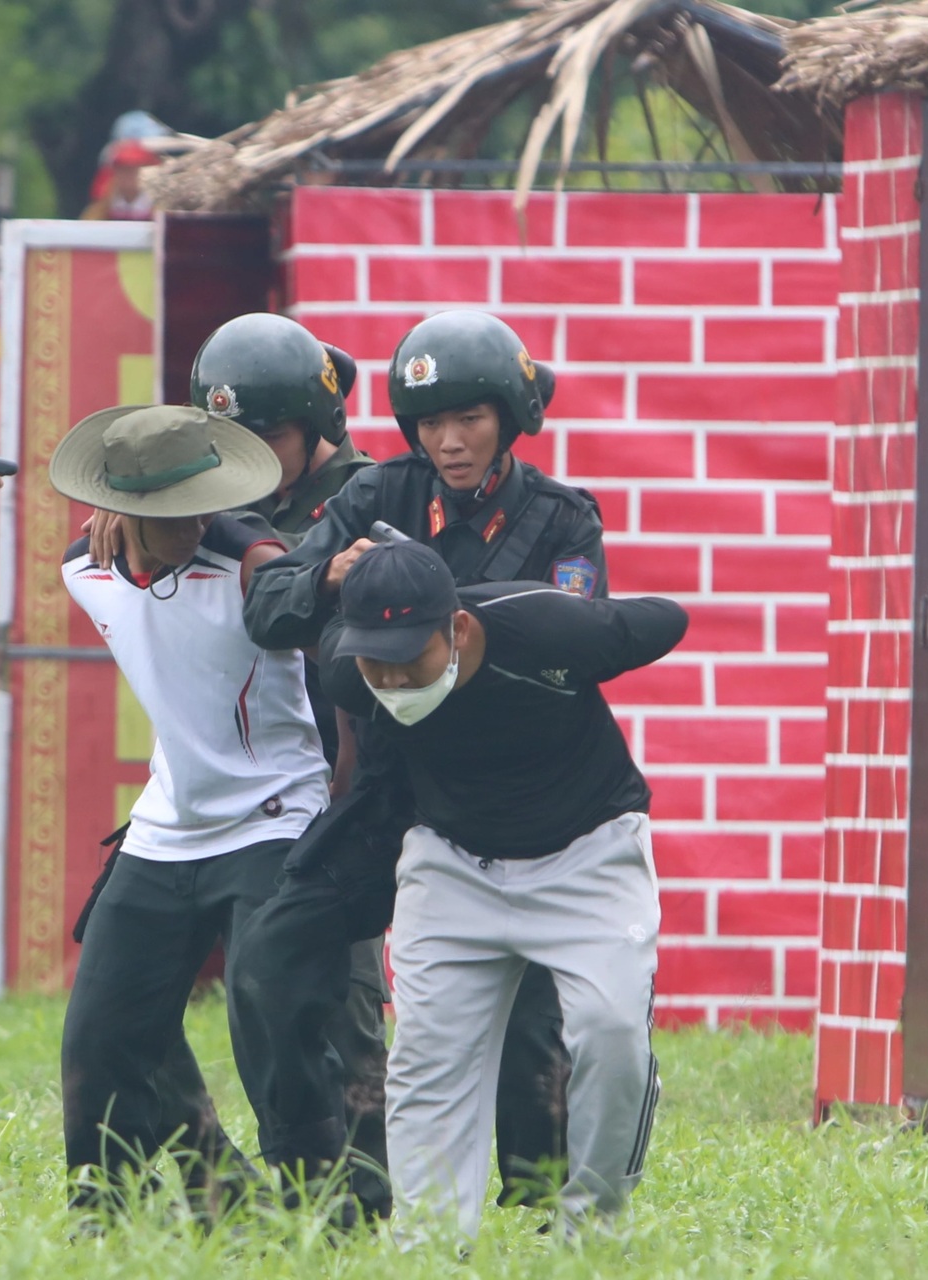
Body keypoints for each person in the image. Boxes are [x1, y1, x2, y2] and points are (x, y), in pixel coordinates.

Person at [236, 310, 608, 1209]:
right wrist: (333, 575)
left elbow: (580, 644)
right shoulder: (377, 497)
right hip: (392, 789)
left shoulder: (563, 518)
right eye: (430, 422)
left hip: (512, 798)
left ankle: (531, 1213)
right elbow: (272, 611)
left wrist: (426, 602)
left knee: (531, 1023)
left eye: (470, 418)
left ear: (511, 415)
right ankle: (321, 1177)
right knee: (270, 965)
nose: (448, 441)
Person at [87, 313, 390, 1212]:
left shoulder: (367, 495)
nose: (250, 453)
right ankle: (229, 1196)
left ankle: (354, 1213)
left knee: (334, 1008)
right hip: (221, 796)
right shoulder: (212, 496)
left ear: (314, 425)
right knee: (131, 1015)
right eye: (233, 437)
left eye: (269, 435)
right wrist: (135, 497)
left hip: (350, 780)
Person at [321, 540, 686, 1239]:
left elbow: (667, 618)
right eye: (378, 662)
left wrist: (579, 628)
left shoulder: (551, 629)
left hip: (589, 857)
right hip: (452, 864)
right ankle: (430, 1241)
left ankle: (593, 1225)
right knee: (427, 1057)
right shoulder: (349, 673)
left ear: (456, 628)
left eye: (410, 657)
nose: (393, 681)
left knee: (613, 1040)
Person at [50, 403, 328, 1218]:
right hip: (168, 821)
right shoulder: (82, 569)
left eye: (196, 506)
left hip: (276, 812)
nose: (188, 525)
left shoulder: (253, 561)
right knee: (102, 1033)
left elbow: (303, 612)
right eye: (163, 514)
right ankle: (112, 1216)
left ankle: (319, 1209)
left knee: (268, 1009)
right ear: (122, 507)